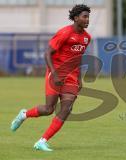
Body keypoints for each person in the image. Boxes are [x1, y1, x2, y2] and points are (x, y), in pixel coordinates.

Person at [10, 4, 91, 151]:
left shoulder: (87, 38)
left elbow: (78, 58)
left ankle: (42, 141)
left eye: (88, 17)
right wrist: (54, 73)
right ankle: (24, 114)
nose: (87, 20)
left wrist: (79, 79)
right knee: (48, 109)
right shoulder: (64, 33)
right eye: (84, 16)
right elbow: (47, 53)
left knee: (67, 109)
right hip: (56, 72)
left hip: (71, 77)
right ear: (75, 18)